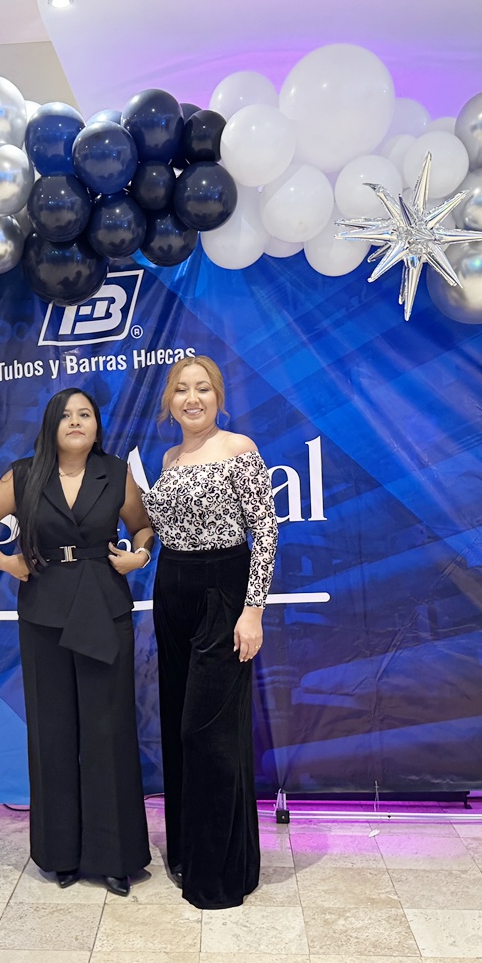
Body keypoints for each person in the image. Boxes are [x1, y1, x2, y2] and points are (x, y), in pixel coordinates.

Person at [0, 388, 154, 895]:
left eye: (85, 414)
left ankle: (115, 857)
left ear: (96, 425)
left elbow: (143, 529)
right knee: (53, 732)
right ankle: (60, 854)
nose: (75, 421)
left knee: (107, 732)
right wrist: (3, 561)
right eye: (66, 414)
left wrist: (139, 556)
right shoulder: (23, 475)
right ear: (51, 424)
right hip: (43, 610)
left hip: (103, 608)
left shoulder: (116, 473)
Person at [142, 356, 278, 909]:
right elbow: (163, 530)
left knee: (210, 734)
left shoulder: (238, 448)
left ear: (218, 397)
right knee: (180, 729)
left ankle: (220, 874)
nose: (192, 398)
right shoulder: (169, 458)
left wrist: (253, 610)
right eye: (182, 389)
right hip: (171, 592)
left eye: (203, 389)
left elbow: (264, 531)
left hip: (224, 593)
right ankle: (188, 854)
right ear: (169, 401)